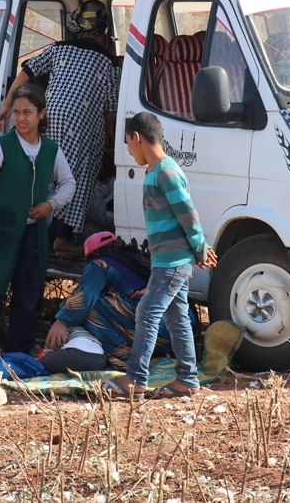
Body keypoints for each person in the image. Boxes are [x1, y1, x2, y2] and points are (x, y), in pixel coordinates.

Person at [104, 112, 217, 400]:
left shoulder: (165, 172)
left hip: (171, 263)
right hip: (169, 261)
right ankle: (187, 380)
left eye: (128, 143)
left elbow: (188, 214)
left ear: (138, 138)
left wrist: (200, 249)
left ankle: (136, 379)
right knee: (176, 317)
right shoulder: (156, 172)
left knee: (147, 312)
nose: (129, 151)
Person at [0, 0, 119, 253]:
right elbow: (111, 111)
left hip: (49, 118)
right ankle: (64, 237)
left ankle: (33, 231)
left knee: (43, 174)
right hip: (86, 125)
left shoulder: (58, 49)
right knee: (78, 178)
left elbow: (26, 72)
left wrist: (8, 104)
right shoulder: (109, 62)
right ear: (102, 31)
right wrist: (107, 140)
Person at [0, 84, 75, 354]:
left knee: (27, 294)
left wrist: (50, 205)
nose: (20, 118)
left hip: (32, 235)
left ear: (41, 114)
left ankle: (20, 354)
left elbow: (68, 184)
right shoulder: (1, 146)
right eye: (16, 112)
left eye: (27, 112)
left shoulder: (51, 150)